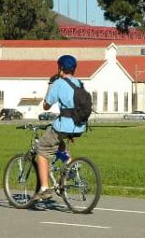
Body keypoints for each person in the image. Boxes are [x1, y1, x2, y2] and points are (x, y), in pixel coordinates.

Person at [34, 54, 86, 200]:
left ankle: (44, 188)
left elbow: (45, 106)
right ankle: (71, 165)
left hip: (65, 125)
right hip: (79, 126)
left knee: (42, 150)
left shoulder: (57, 83)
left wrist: (50, 86)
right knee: (59, 144)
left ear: (61, 68)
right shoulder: (79, 83)